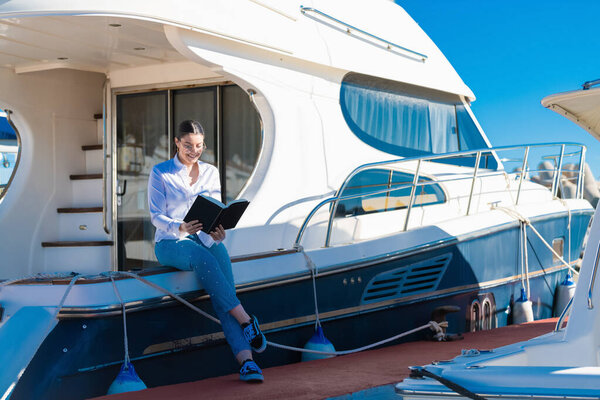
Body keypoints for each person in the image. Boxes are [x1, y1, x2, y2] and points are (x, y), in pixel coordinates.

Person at [148, 120, 266, 382]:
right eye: (188, 145)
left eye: (199, 145)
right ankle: (247, 321)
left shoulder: (211, 171)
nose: (194, 150)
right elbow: (156, 216)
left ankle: (247, 362)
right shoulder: (161, 172)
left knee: (224, 288)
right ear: (177, 143)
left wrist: (218, 230)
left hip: (204, 239)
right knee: (203, 260)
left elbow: (214, 207)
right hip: (170, 242)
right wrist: (180, 226)